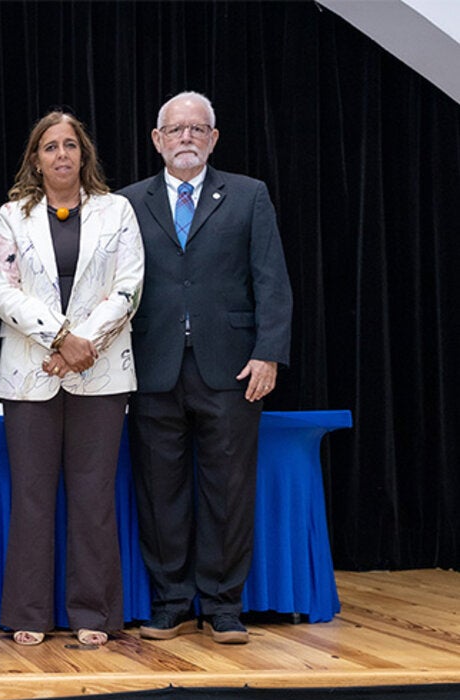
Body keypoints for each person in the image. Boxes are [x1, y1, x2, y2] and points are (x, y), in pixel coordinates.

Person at [118, 91, 292, 645]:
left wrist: (268, 351)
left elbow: (271, 280)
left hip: (232, 368)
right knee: (158, 489)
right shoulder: (127, 203)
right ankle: (170, 601)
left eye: (197, 129)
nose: (186, 138)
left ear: (213, 139)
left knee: (228, 489)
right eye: (175, 130)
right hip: (152, 368)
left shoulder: (248, 196)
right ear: (157, 140)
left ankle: (222, 605)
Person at [0, 111, 144, 647]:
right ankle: (29, 613)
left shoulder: (117, 210)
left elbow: (129, 288)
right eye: (50, 146)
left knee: (93, 497)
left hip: (102, 376)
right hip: (29, 375)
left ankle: (93, 614)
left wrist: (83, 346)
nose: (61, 155)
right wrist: (61, 339)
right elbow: (3, 292)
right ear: (36, 158)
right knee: (31, 497)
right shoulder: (13, 215)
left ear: (84, 155)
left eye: (70, 146)